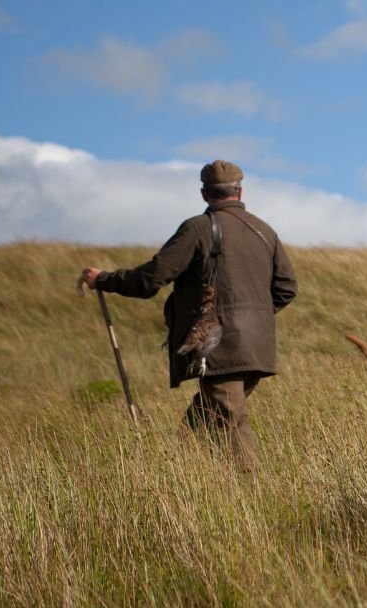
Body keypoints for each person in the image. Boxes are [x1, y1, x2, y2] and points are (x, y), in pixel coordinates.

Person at [82, 160, 297, 471]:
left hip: (219, 347)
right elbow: (287, 288)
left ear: (204, 193)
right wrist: (254, 318)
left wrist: (104, 279)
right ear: (240, 191)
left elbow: (152, 279)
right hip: (258, 347)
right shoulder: (265, 231)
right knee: (197, 428)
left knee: (230, 423)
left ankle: (252, 497)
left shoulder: (197, 228)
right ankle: (181, 482)